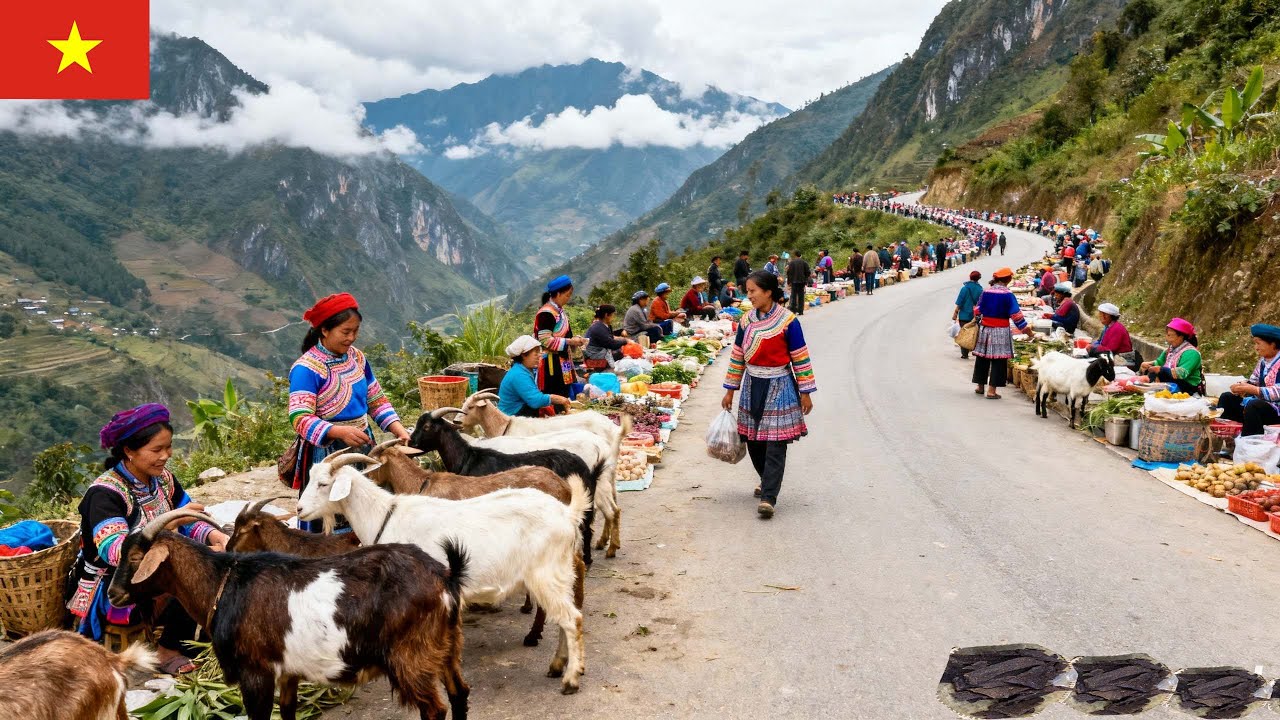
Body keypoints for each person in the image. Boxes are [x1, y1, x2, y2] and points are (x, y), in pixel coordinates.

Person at [70, 403, 230, 675]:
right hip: (117, 580)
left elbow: (190, 519)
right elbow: (116, 552)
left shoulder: (163, 480)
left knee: (223, 555)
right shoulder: (105, 494)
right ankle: (168, 649)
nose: (166, 455)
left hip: (154, 565)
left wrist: (217, 535)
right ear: (129, 451)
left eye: (168, 447)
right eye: (157, 450)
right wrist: (170, 524)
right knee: (191, 572)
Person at [288, 292, 409, 531]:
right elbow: (300, 418)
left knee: (367, 509)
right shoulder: (306, 369)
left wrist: (398, 429)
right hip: (326, 454)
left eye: (355, 331)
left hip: (362, 444)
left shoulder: (357, 358)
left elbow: (375, 399)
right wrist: (338, 431)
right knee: (330, 515)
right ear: (324, 330)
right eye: (345, 332)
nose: (351, 338)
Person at [721, 270, 816, 519]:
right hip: (752, 384)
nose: (749, 296)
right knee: (753, 440)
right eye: (748, 291)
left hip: (780, 384)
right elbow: (738, 356)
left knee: (775, 442)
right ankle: (766, 479)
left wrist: (805, 392)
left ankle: (769, 497)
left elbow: (800, 357)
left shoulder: (788, 321)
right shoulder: (746, 321)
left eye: (753, 291)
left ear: (768, 292)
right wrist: (730, 390)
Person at [972, 267, 1033, 399]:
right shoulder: (1008, 294)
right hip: (1000, 330)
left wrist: (982, 319)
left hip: (985, 328)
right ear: (1008, 279)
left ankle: (980, 386)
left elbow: (977, 309)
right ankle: (991, 391)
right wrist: (1028, 332)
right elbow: (1016, 316)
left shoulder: (986, 291)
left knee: (982, 357)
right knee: (998, 360)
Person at [534, 275, 588, 414]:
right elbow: (545, 340)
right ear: (558, 294)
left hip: (563, 362)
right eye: (567, 295)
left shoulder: (560, 312)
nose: (568, 298)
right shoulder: (546, 313)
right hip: (551, 364)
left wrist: (576, 340)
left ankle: (564, 416)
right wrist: (570, 341)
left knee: (564, 393)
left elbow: (566, 336)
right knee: (555, 395)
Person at [1219, 324, 1280, 435]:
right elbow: (1253, 381)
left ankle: (1250, 442)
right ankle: (1226, 436)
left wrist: (1253, 389)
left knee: (1254, 406)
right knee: (1227, 397)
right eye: (1255, 343)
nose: (1256, 348)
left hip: (1276, 410)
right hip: (1262, 405)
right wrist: (1242, 386)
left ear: (1273, 344)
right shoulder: (1263, 362)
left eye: (1258, 343)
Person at [499, 335, 573, 417]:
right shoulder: (519, 374)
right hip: (511, 416)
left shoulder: (522, 370)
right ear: (524, 355)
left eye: (539, 351)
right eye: (536, 352)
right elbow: (535, 401)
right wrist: (561, 400)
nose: (539, 355)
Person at [1140, 318, 1204, 395]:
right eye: (1167, 334)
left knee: (1160, 373)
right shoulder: (1169, 350)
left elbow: (1182, 373)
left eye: (1170, 334)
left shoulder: (1192, 353)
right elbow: (1159, 362)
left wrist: (1161, 369)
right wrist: (1148, 365)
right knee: (1152, 375)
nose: (1167, 336)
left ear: (1181, 336)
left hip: (1187, 387)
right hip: (1172, 383)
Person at [584, 304, 628, 371]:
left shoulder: (605, 326)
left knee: (619, 354)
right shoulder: (598, 328)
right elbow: (612, 345)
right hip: (594, 360)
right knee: (619, 355)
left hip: (601, 355)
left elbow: (611, 339)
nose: (614, 317)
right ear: (606, 315)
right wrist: (625, 341)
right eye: (613, 315)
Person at [953, 271, 984, 359]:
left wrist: (955, 313)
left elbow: (960, 302)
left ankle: (964, 353)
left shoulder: (965, 288)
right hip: (975, 316)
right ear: (979, 278)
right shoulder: (980, 289)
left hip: (964, 315)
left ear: (970, 277)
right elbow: (981, 303)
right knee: (973, 333)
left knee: (964, 333)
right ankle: (973, 350)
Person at [785, 249, 811, 315]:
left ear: (795, 255)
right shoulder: (804, 262)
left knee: (793, 295)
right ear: (800, 255)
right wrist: (805, 279)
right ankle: (800, 311)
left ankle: (793, 310)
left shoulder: (791, 263)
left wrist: (789, 282)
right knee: (801, 296)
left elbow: (789, 273)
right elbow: (808, 272)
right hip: (802, 282)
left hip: (794, 282)